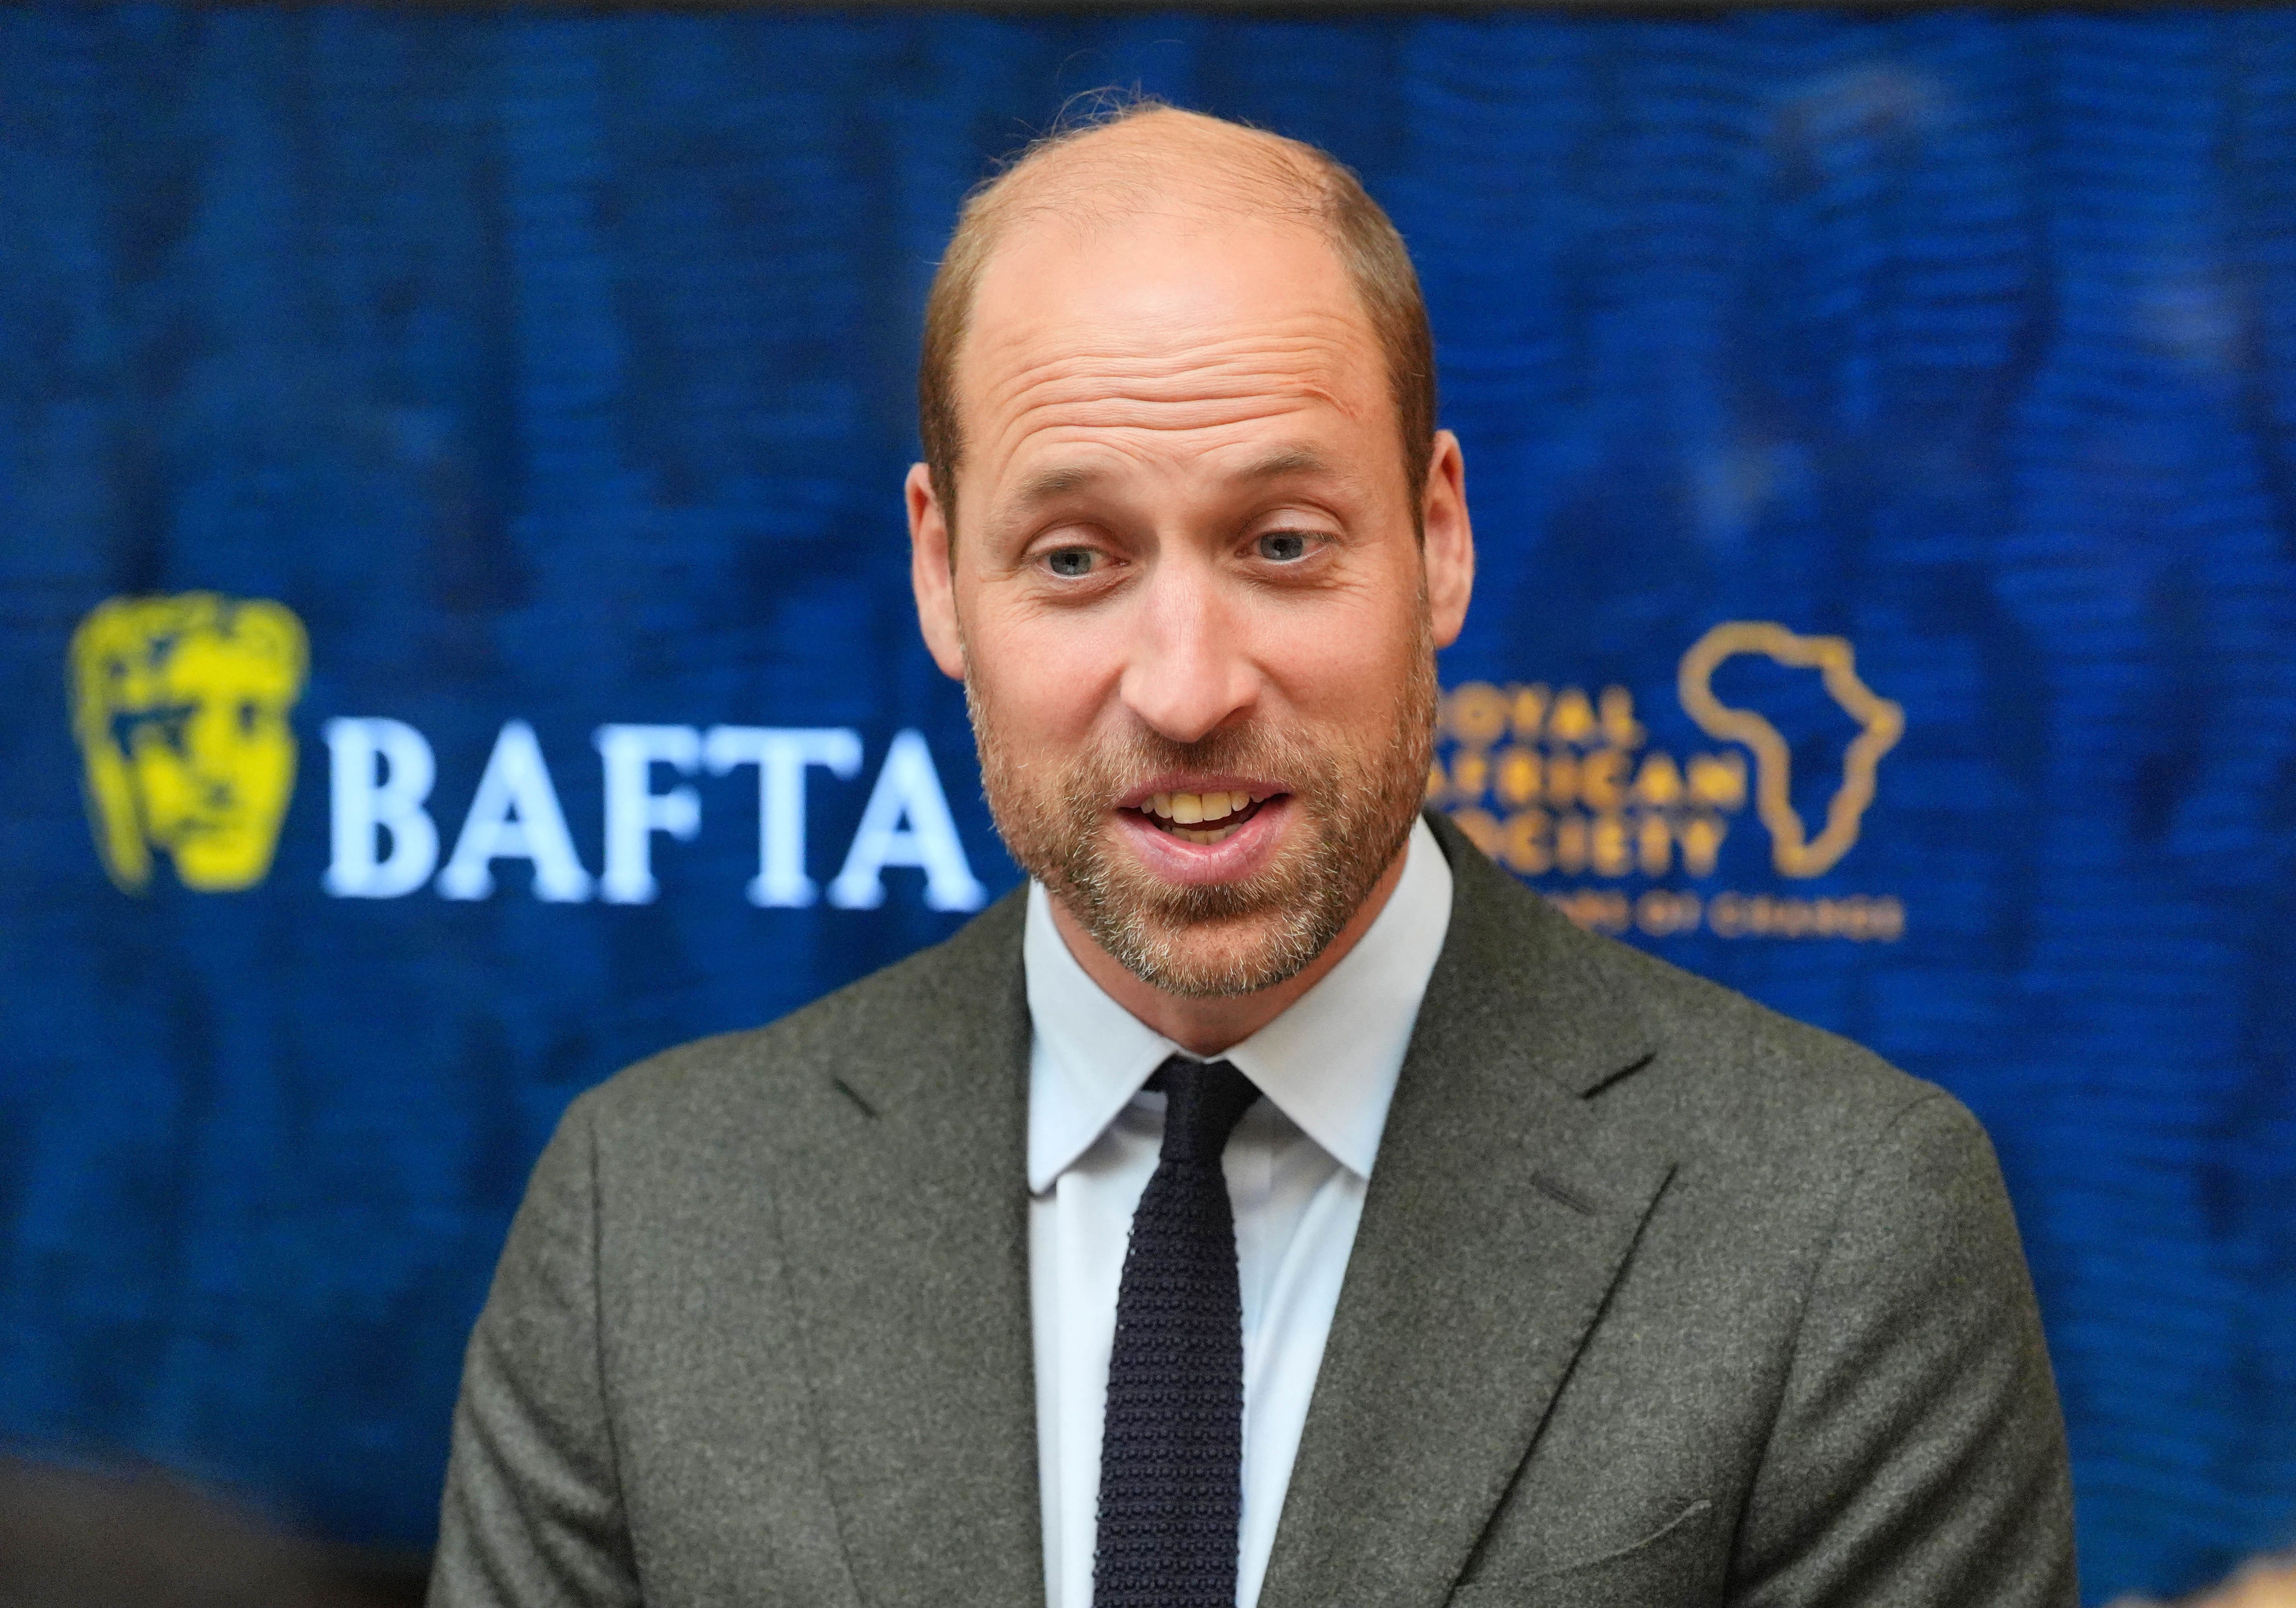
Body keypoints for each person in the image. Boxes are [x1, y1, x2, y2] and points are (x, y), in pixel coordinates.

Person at [428, 103, 2076, 1608]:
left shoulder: (1839, 1232)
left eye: (1283, 545)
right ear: (941, 576)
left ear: (1438, 540)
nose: (1190, 683)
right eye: (1075, 558)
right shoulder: (648, 1224)